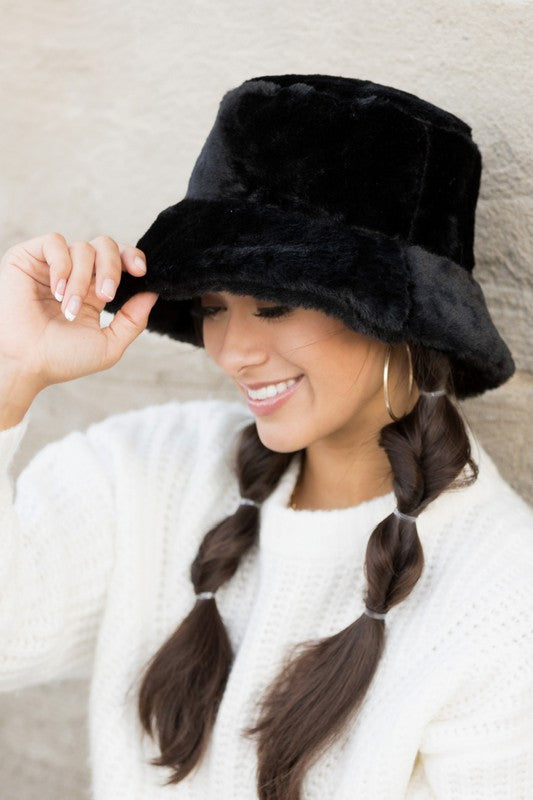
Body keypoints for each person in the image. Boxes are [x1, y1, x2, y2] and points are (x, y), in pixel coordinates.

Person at [0, 74, 531, 800]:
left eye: (276, 305)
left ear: (394, 318)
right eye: (214, 307)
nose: (232, 351)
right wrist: (8, 375)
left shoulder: (501, 595)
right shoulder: (148, 469)